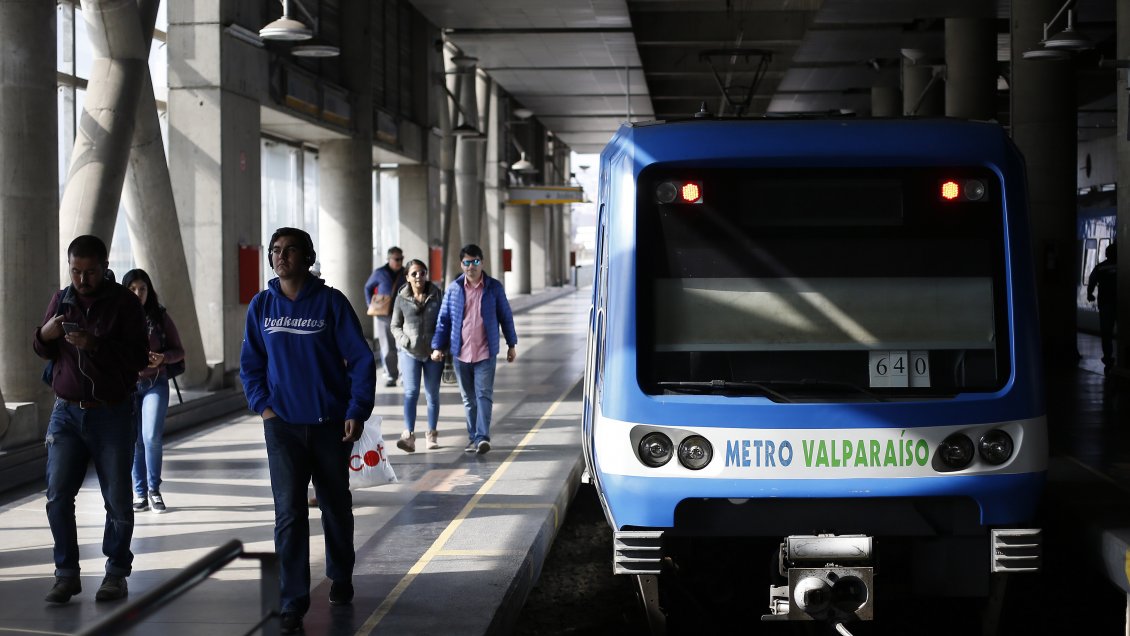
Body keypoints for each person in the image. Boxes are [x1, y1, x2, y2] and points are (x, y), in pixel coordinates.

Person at [240, 227, 376, 634]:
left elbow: (361, 359)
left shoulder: (331, 303)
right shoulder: (262, 306)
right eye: (275, 251)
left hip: (329, 426)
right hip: (281, 427)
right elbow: (251, 365)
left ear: (308, 257)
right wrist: (264, 408)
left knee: (335, 505)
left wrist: (357, 409)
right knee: (289, 514)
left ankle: (341, 574)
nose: (281, 257)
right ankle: (292, 600)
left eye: (290, 250)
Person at [32, 235, 149, 604]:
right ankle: (66, 573)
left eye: (90, 272)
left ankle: (115, 572)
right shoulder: (62, 298)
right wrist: (44, 335)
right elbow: (41, 348)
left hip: (112, 413)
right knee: (57, 496)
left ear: (104, 267)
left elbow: (138, 358)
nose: (82, 280)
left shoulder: (124, 304)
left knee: (116, 498)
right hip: (66, 414)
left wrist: (95, 344)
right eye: (76, 272)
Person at [430, 244, 518, 454]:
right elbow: (444, 320)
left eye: (475, 261)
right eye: (467, 262)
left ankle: (482, 437)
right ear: (461, 265)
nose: (471, 266)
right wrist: (437, 346)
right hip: (460, 353)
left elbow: (506, 316)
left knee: (484, 395)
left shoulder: (493, 287)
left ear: (482, 262)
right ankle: (473, 437)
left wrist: (511, 344)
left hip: (486, 352)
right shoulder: (454, 289)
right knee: (468, 399)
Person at [121, 269, 185, 514]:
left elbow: (179, 350)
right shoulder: (116, 317)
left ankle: (154, 490)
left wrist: (163, 358)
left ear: (149, 291)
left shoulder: (159, 317)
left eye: (143, 289)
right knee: (135, 441)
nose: (138, 293)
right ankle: (139, 492)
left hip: (155, 384)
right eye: (133, 289)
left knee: (150, 437)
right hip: (127, 386)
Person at [391, 259, 444, 452]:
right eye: (414, 273)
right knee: (411, 393)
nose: (418, 276)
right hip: (410, 354)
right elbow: (395, 325)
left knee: (432, 395)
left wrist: (440, 346)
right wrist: (405, 341)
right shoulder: (401, 298)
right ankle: (409, 436)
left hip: (433, 354)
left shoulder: (437, 295)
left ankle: (432, 434)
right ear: (407, 277)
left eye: (422, 272)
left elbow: (444, 322)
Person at [364, 246, 406, 387]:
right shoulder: (379, 273)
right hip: (384, 315)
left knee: (403, 346)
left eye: (401, 258)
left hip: (403, 315)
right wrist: (371, 304)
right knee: (387, 347)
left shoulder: (406, 273)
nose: (400, 261)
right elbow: (368, 288)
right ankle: (391, 375)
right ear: (389, 259)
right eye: (397, 259)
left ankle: (404, 376)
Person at [1087, 242, 1118, 371]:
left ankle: (1108, 357)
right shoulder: (1124, 265)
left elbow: (1092, 280)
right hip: (1121, 303)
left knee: (1106, 333)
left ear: (1106, 254)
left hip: (1105, 304)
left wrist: (1090, 294)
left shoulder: (1100, 268)